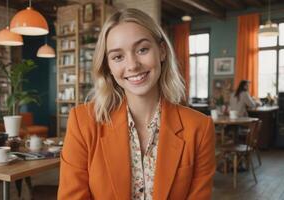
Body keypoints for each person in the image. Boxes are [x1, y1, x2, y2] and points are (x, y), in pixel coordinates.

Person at [58, 8, 215, 200]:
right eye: (118, 57)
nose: (132, 65)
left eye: (142, 50)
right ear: (108, 66)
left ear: (162, 51)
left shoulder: (199, 127)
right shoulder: (82, 123)